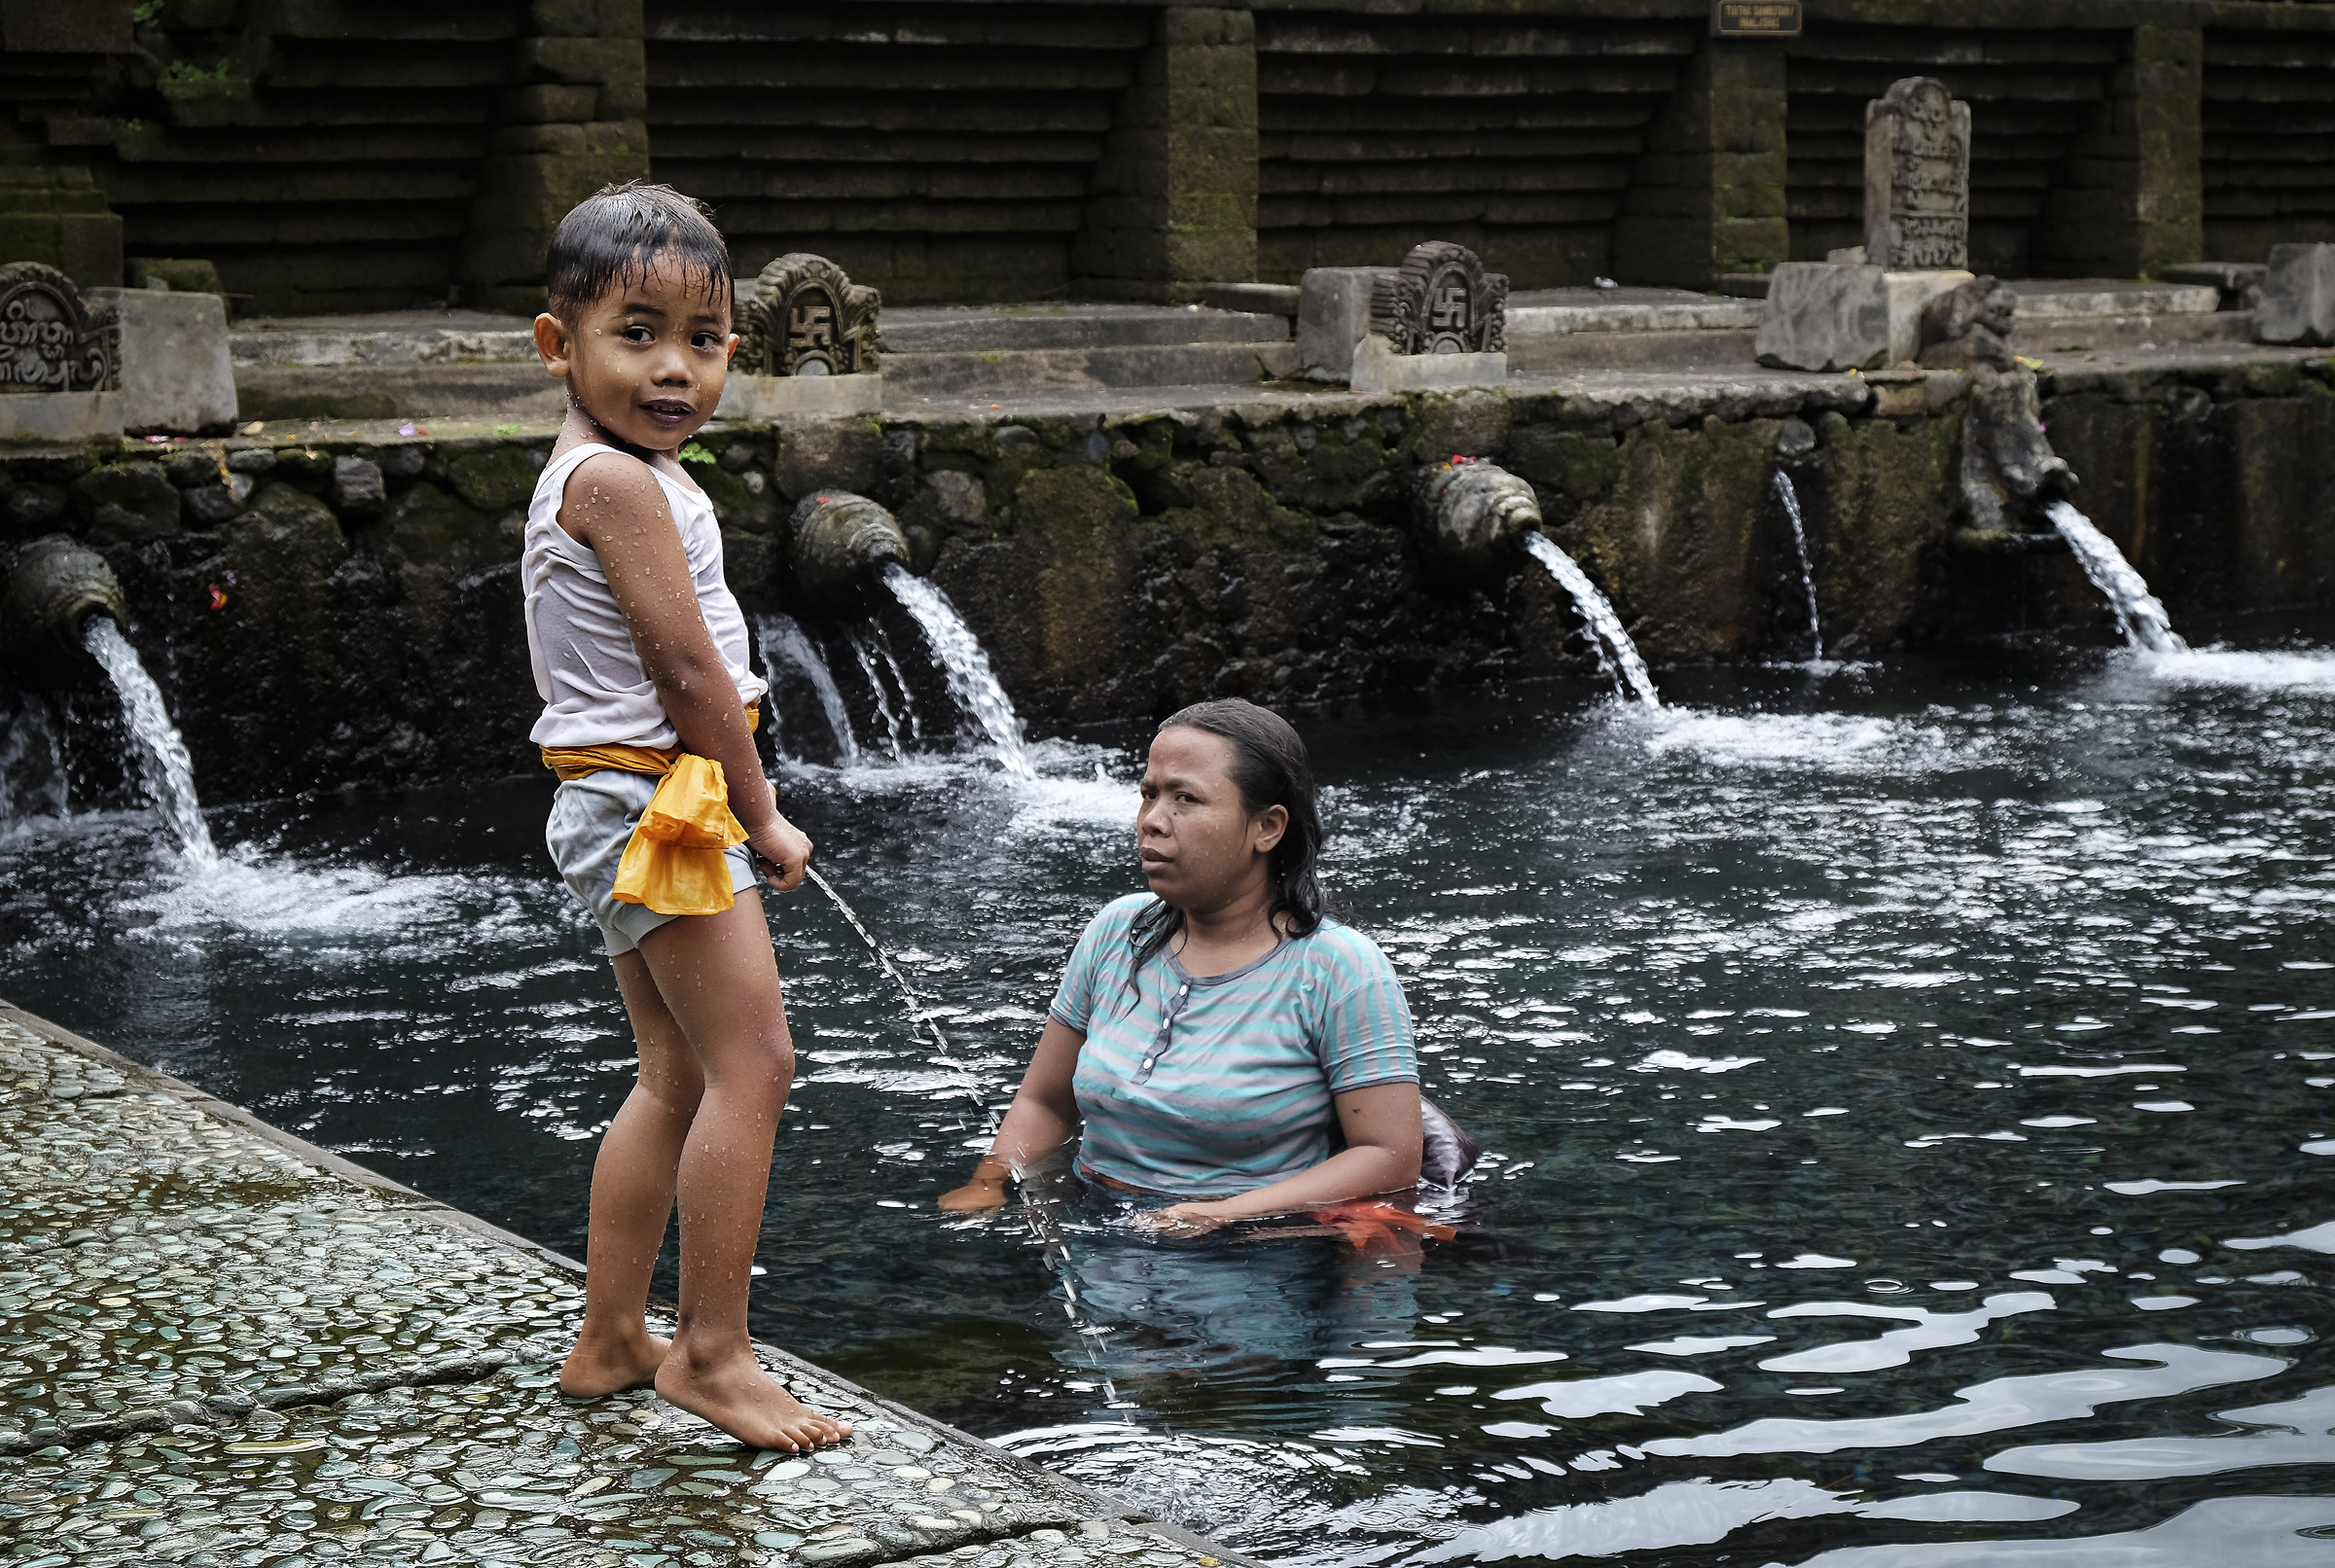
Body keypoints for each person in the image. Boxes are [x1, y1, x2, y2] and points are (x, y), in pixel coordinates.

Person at [521, 181, 848, 1450]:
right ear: (559, 344)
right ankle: (712, 1352)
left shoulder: (615, 472)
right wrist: (763, 818)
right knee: (754, 1068)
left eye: (703, 342)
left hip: (622, 804)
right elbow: (692, 676)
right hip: (660, 808)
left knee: (673, 1074)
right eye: (637, 333)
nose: (675, 370)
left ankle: (611, 1336)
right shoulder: (616, 485)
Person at [938, 698, 1424, 1231]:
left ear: (1267, 827)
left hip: (1259, 1251)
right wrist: (988, 1182)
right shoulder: (1116, 931)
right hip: (1100, 1231)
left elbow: (1389, 1156)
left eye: (1185, 799)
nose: (1151, 822)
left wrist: (1221, 1216)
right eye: (1148, 794)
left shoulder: (1340, 968)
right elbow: (1046, 1103)